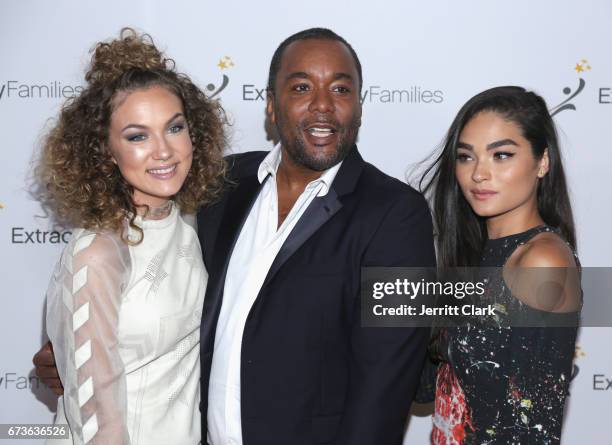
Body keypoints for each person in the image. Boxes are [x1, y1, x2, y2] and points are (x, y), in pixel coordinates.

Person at [36, 27, 436, 444]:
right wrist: (72, 352)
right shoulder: (221, 186)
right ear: (271, 106)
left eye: (340, 89)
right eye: (301, 87)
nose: (323, 105)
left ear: (358, 106)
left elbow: (386, 385)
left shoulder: (397, 213)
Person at [35, 29, 226, 444]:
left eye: (174, 128)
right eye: (137, 136)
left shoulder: (194, 224)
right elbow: (97, 414)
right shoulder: (98, 253)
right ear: (105, 151)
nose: (163, 151)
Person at [420, 86, 581, 444]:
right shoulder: (475, 254)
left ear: (542, 162)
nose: (479, 173)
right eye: (466, 157)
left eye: (501, 155)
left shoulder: (541, 260)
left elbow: (530, 423)